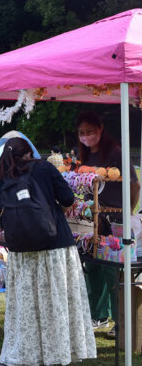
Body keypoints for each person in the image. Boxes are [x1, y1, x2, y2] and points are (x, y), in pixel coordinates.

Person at [0, 137, 96, 366]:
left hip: (21, 251)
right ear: (30, 152)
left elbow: (0, 214)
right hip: (54, 246)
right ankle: (58, 352)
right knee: (56, 302)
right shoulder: (45, 168)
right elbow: (68, 198)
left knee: (26, 307)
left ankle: (25, 352)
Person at [76, 111, 140, 337]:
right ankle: (98, 316)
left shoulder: (115, 152)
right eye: (82, 133)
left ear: (100, 129)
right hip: (92, 218)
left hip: (115, 219)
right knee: (92, 265)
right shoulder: (84, 154)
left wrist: (127, 212)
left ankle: (119, 321)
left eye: (90, 132)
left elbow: (135, 185)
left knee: (113, 270)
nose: (86, 136)